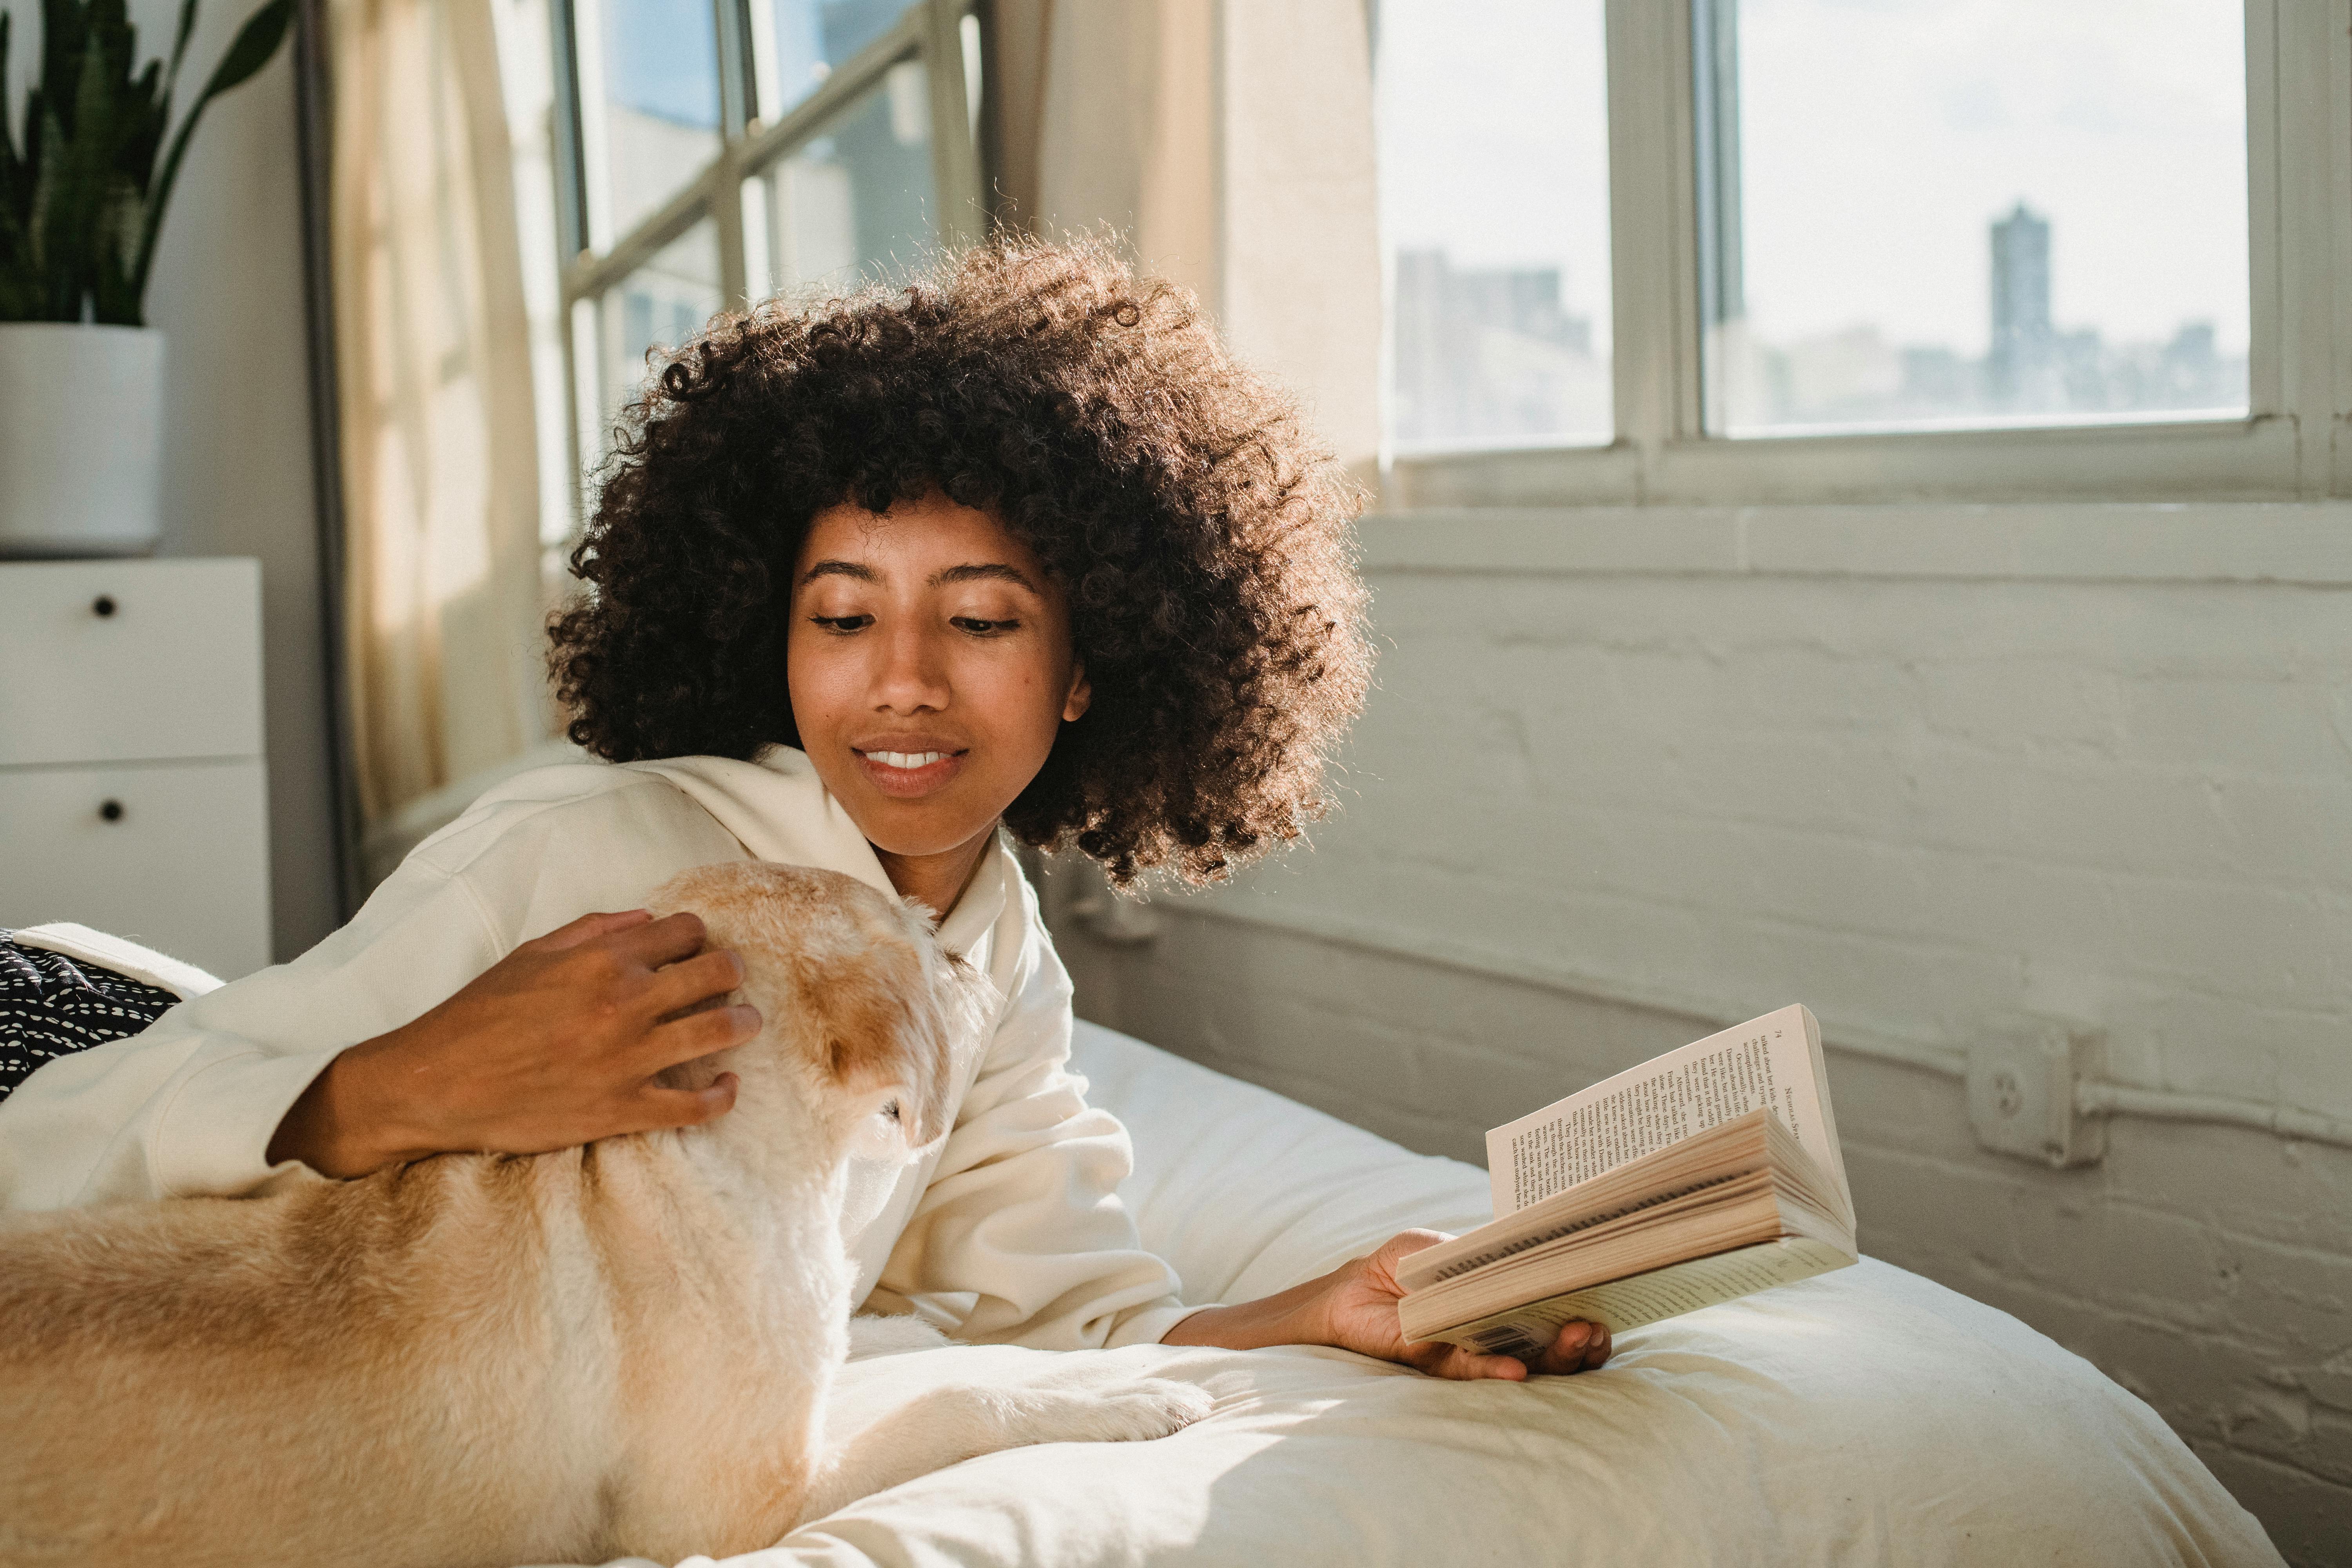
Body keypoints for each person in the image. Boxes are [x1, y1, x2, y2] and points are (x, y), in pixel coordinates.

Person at [0, 238, 1609, 1381]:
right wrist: (400, 1082)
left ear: (1088, 667)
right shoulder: (587, 851)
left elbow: (1073, 1325)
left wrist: (1331, 1314)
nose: (901, 681)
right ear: (769, 634)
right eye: (842, 616)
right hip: (59, 1033)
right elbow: (61, 1147)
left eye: (978, 621)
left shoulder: (998, 958)